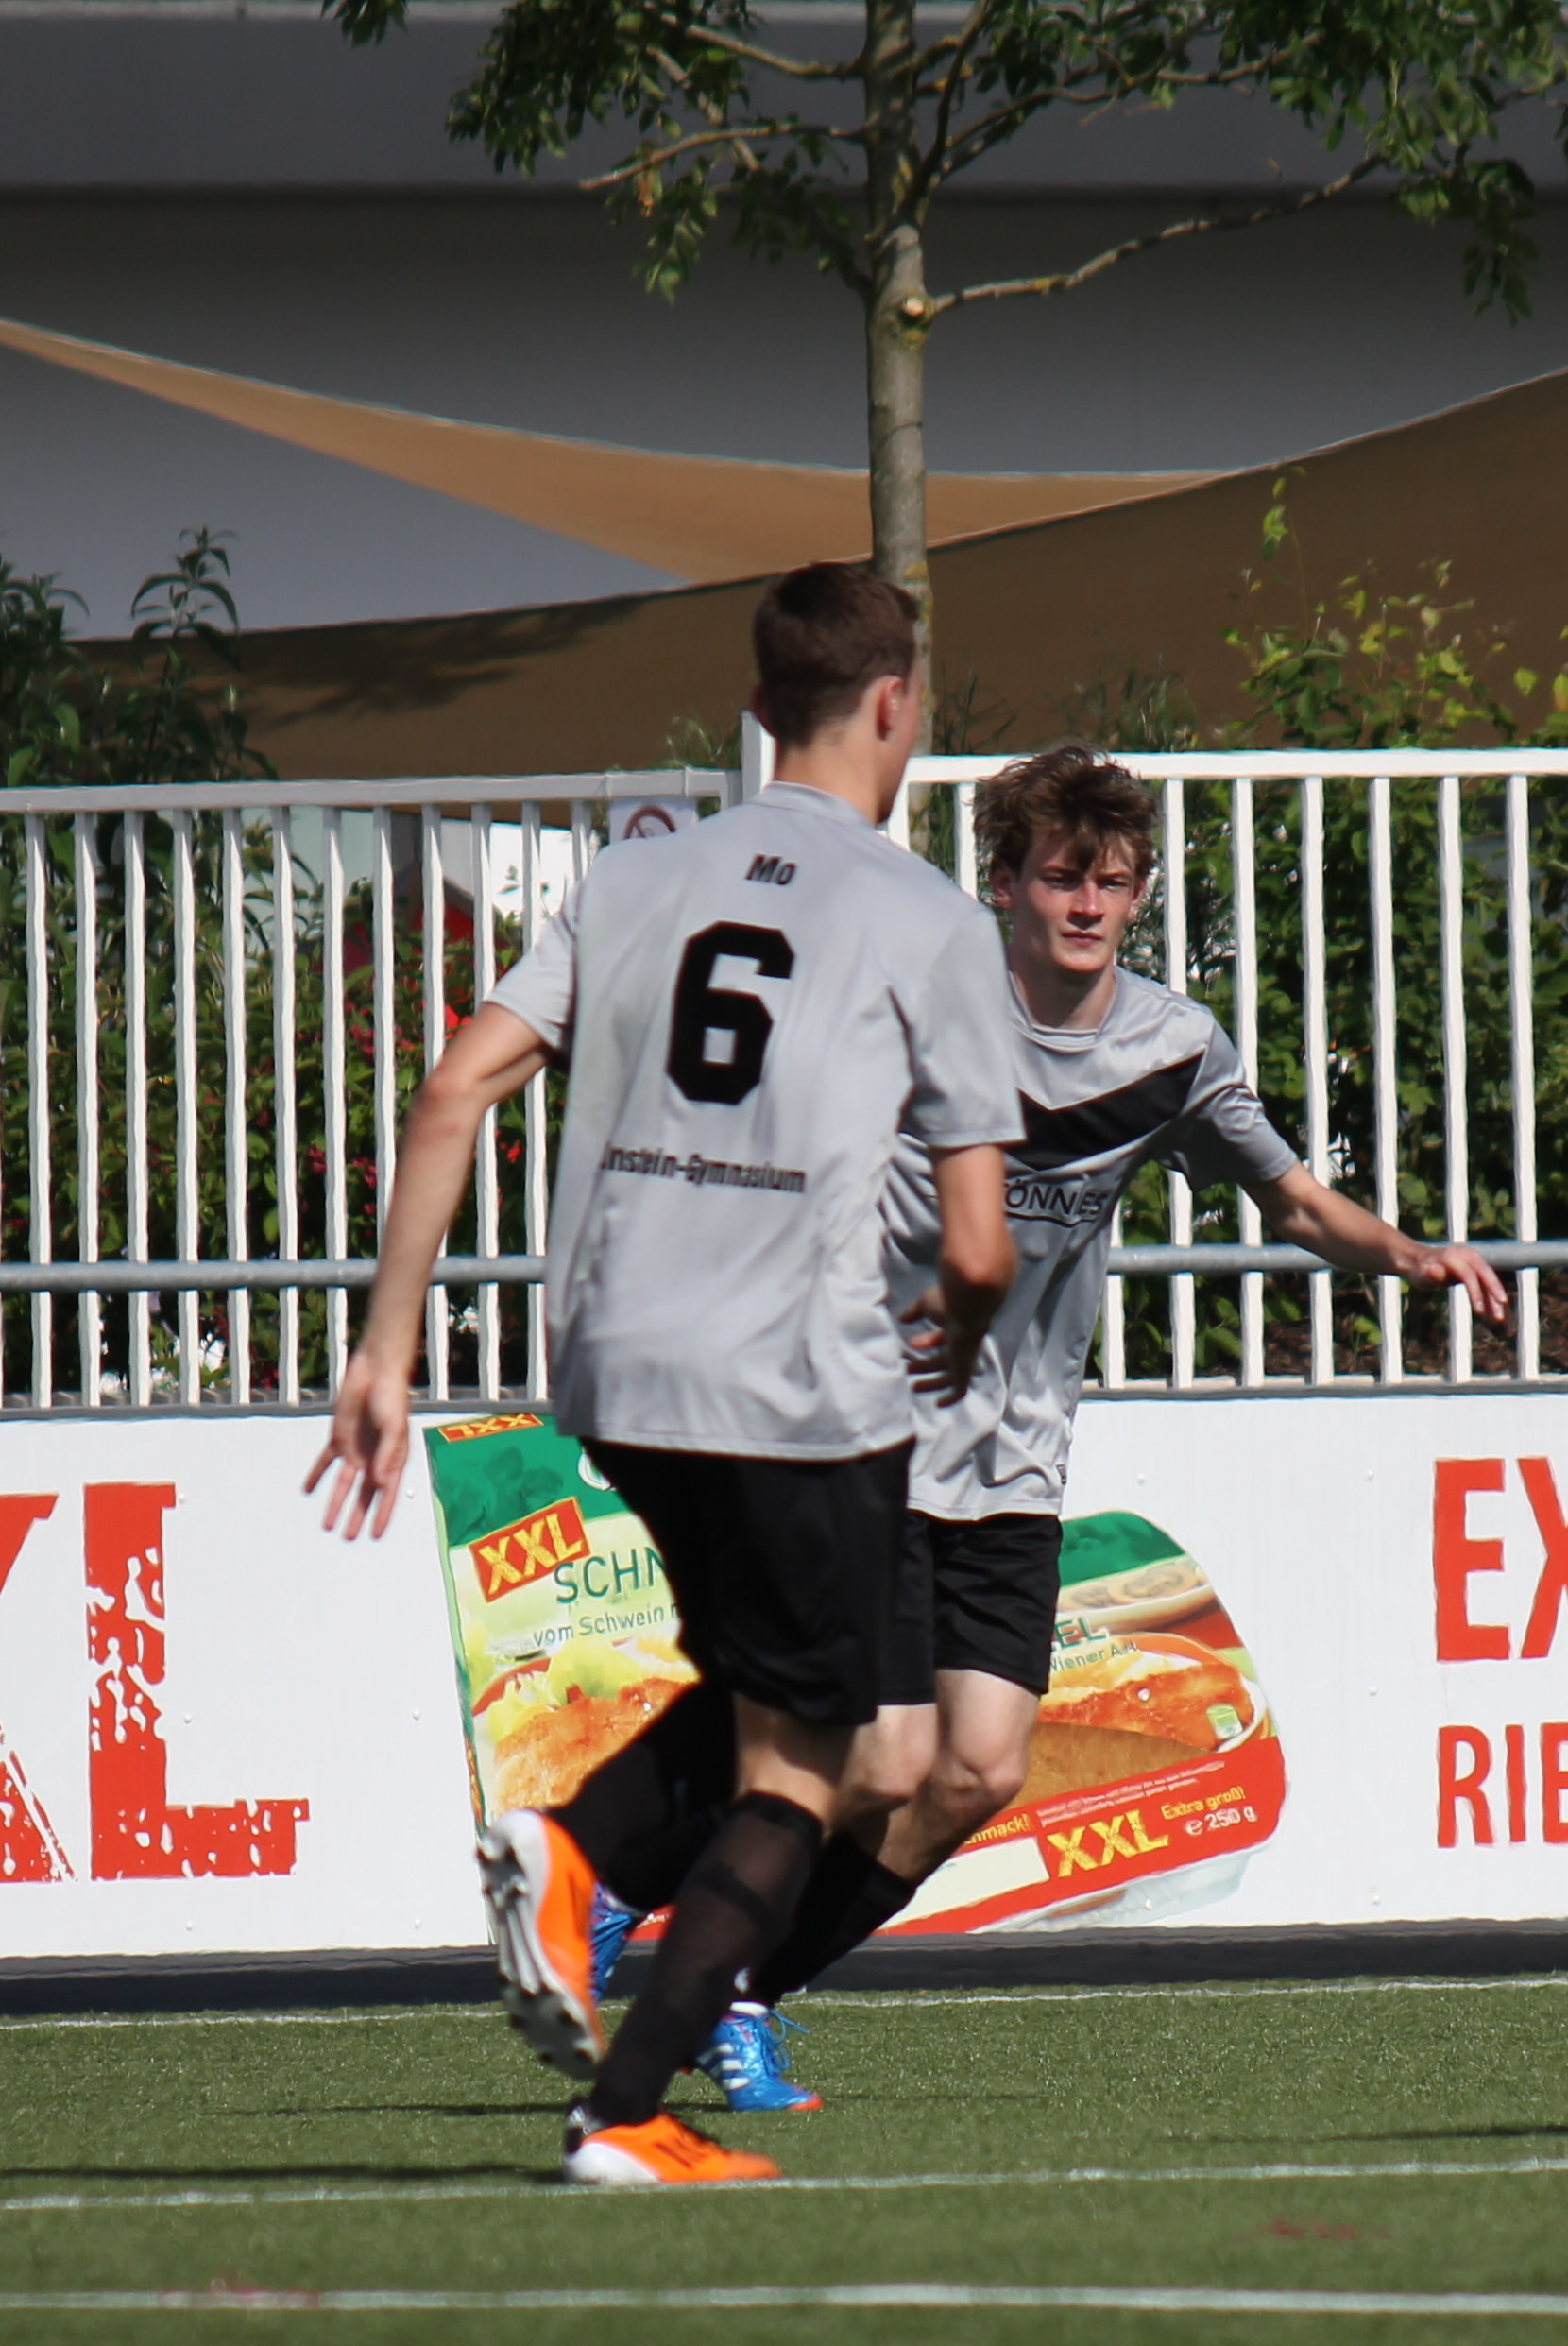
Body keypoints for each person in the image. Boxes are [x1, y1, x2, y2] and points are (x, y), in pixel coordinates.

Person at [584, 745, 1511, 2104]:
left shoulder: (1172, 1049)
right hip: (862, 1438)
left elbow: (1293, 1199)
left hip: (1011, 1464)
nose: (1087, 904)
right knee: (866, 1756)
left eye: (1113, 882)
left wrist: (1407, 1252)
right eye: (1062, 876)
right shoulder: (909, 1009)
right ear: (1004, 883)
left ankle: (738, 1982)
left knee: (975, 1772)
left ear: (1138, 897)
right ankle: (628, 1887)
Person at [309, 561, 1023, 2185]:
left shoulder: (633, 882)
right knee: (808, 1765)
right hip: (800, 1392)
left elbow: (452, 1091)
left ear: (759, 712)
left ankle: (597, 1965)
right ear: (898, 704)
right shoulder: (925, 919)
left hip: (621, 1375)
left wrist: (386, 1347)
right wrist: (966, 1330)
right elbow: (980, 1250)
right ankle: (601, 1992)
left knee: (840, 1734)